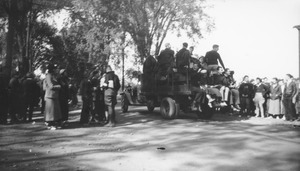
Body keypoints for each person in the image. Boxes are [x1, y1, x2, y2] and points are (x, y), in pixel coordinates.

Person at [44, 64, 62, 130]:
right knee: (50, 112)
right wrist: (58, 86)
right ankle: (50, 124)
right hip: (50, 95)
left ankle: (54, 123)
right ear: (52, 69)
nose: (56, 69)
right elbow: (51, 86)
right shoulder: (48, 76)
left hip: (54, 95)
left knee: (54, 111)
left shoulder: (53, 76)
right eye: (55, 68)